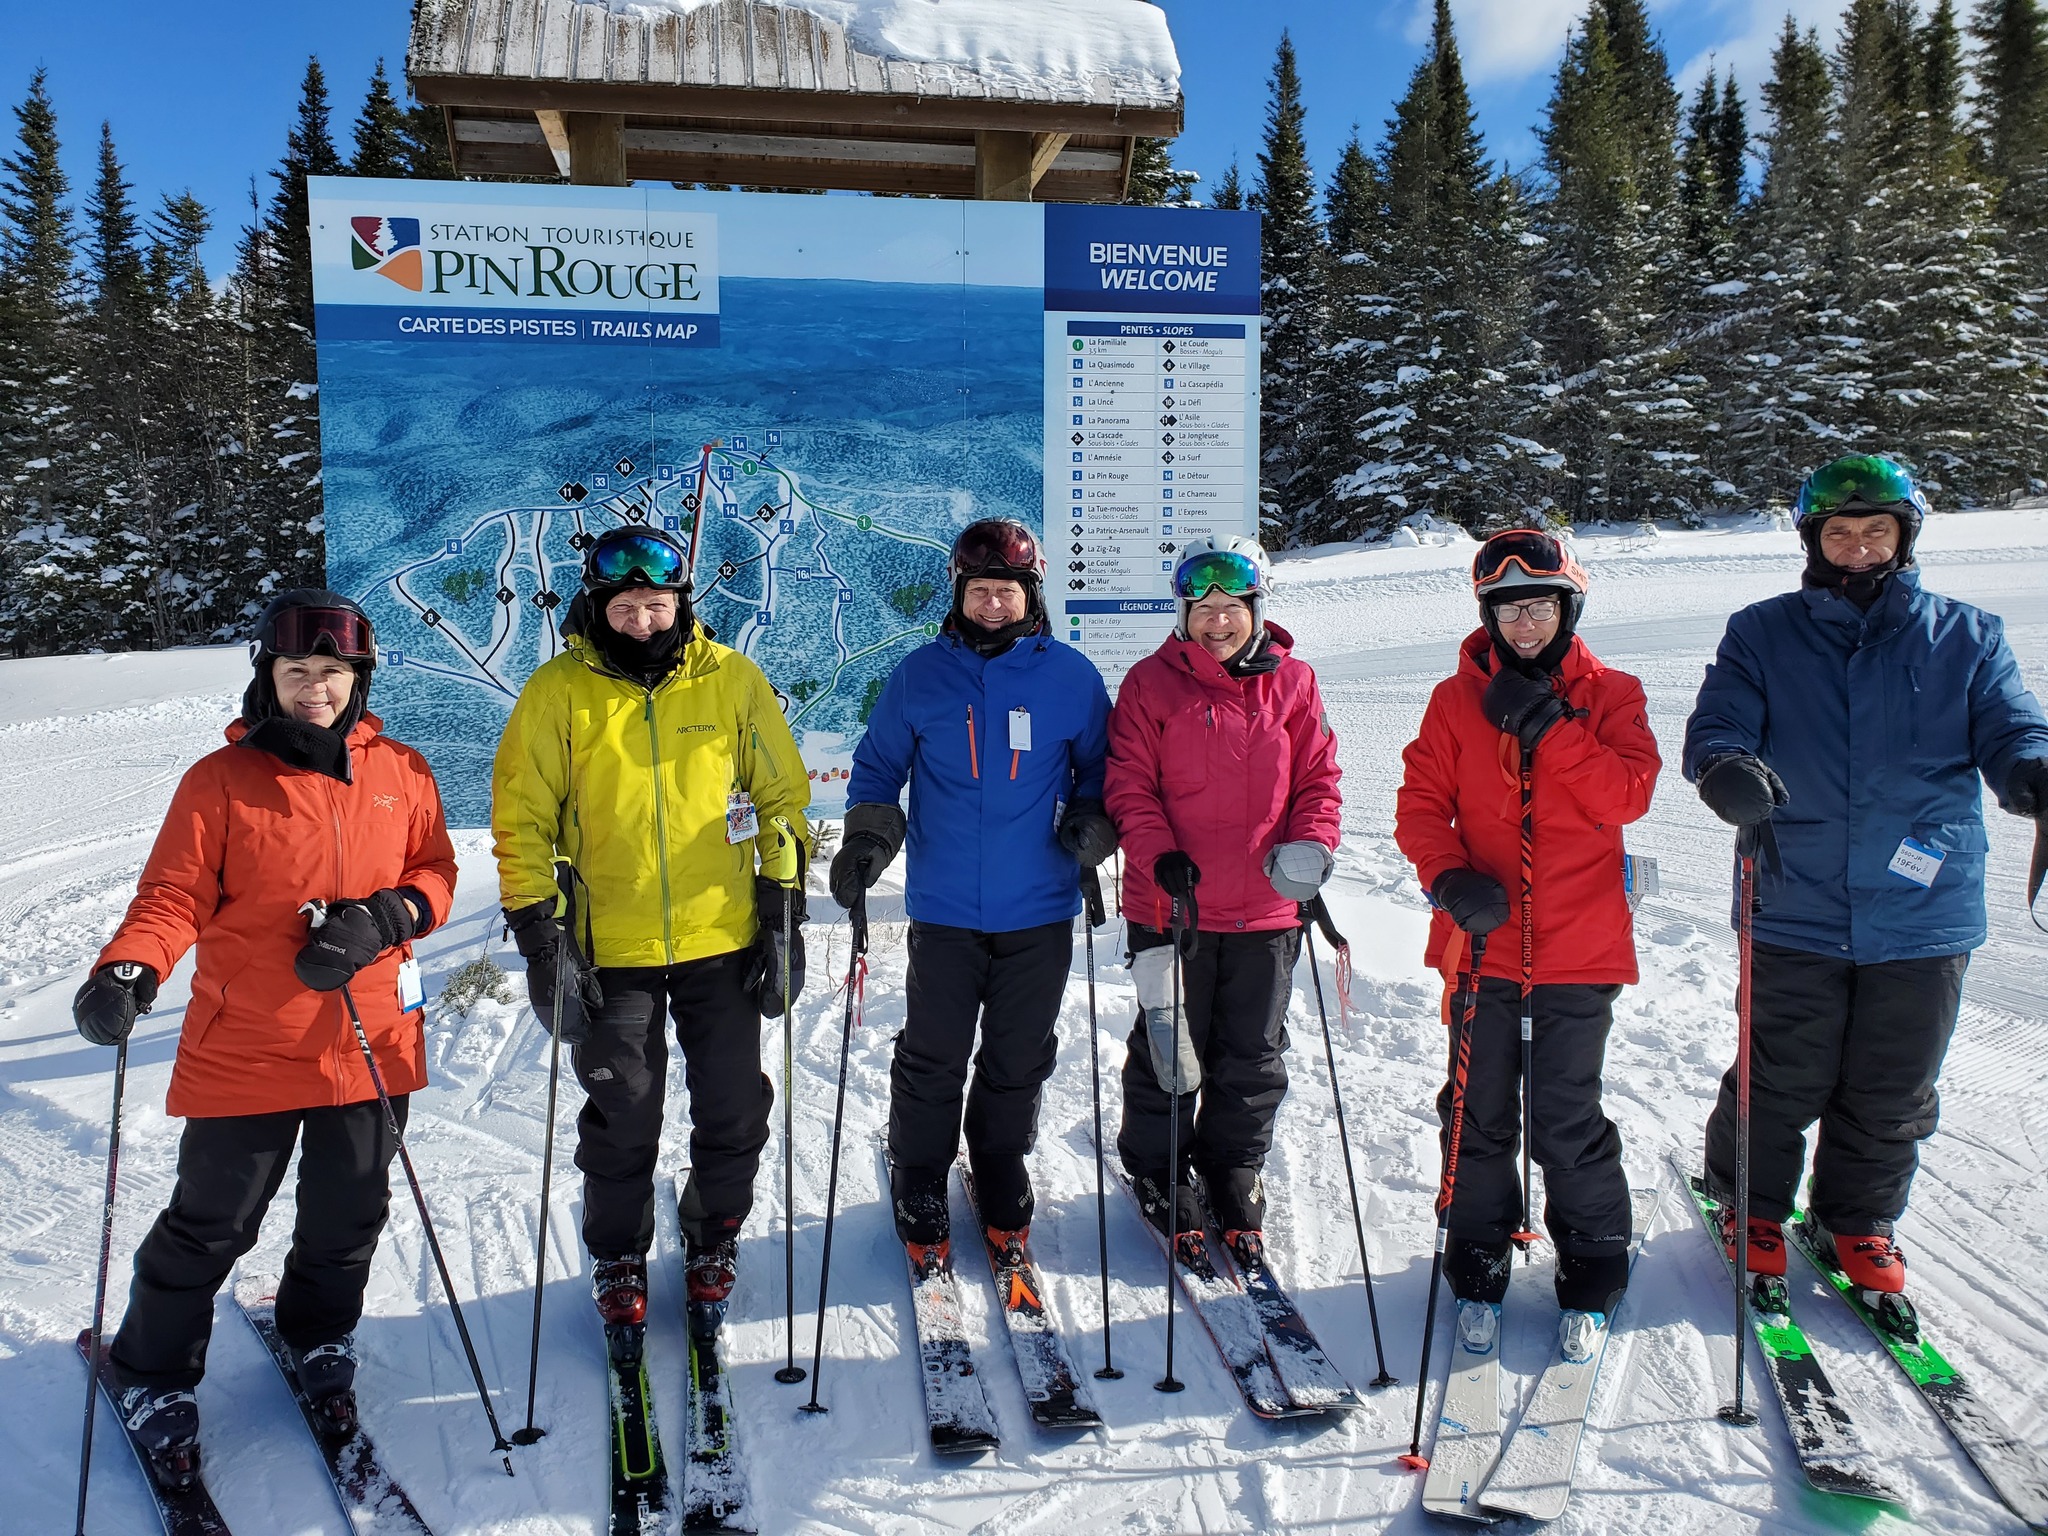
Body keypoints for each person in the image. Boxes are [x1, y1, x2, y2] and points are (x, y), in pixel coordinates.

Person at [72, 590, 457, 1484]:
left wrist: (388, 914)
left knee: (349, 1213)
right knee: (212, 1222)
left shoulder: (402, 768)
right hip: (250, 1038)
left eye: (333, 672)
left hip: (370, 1037)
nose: (316, 688)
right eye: (297, 672)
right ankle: (152, 1371)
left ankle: (319, 1335)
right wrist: (131, 966)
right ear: (268, 677)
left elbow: (435, 869)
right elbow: (172, 896)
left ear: (357, 678)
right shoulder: (220, 781)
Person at [1686, 455, 2048, 1311]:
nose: (1856, 547)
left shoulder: (1968, 634)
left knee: (1893, 1081)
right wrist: (1724, 766)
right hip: (1795, 897)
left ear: (1904, 535)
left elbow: (2011, 723)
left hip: (1925, 909)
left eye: (1874, 530)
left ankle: (1859, 1219)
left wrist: (2033, 769)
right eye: (1839, 532)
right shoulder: (1761, 631)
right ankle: (1751, 1204)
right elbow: (1720, 719)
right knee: (1783, 1072)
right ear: (1813, 539)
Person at [491, 526, 811, 1350]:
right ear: (600, 605)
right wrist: (539, 932)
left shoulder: (732, 680)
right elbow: (522, 820)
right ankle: (619, 1253)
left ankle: (717, 1230)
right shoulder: (558, 692)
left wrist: (783, 906)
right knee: (623, 1106)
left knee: (735, 1103)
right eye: (627, 605)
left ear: (682, 604)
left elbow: (780, 796)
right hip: (613, 948)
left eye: (657, 603)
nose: (642, 619)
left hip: (724, 936)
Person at [1394, 529, 1659, 1354]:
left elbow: (1627, 795)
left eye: (1540, 606)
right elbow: (1419, 808)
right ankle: (1477, 1246)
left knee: (1565, 1115)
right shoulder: (1452, 700)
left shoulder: (1612, 693)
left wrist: (1550, 727)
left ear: (1568, 606)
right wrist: (1446, 877)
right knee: (1477, 1111)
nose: (1525, 626)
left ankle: (1593, 1253)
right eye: (1508, 610)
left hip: (1579, 948)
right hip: (1482, 944)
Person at [831, 517, 1113, 1271]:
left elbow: (1099, 771)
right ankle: (920, 1169)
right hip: (947, 908)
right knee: (935, 1052)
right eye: (981, 591)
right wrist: (868, 838)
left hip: (1040, 907)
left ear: (1032, 596)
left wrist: (1092, 822)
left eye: (1008, 593)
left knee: (1019, 1056)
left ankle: (998, 1160)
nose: (994, 605)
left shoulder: (1071, 678)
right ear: (958, 593)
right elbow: (878, 768)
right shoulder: (920, 676)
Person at [1105, 535, 1342, 1265]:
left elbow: (1318, 782)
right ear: (1182, 612)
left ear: (1255, 608)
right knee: (1170, 1050)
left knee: (1252, 1053)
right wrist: (1158, 852)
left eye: (1230, 607)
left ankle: (1235, 1169)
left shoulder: (1295, 684)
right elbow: (1128, 784)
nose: (1216, 622)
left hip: (1267, 910)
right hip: (1169, 906)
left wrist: (1310, 846)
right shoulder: (1150, 684)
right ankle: (1160, 1169)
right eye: (1201, 607)